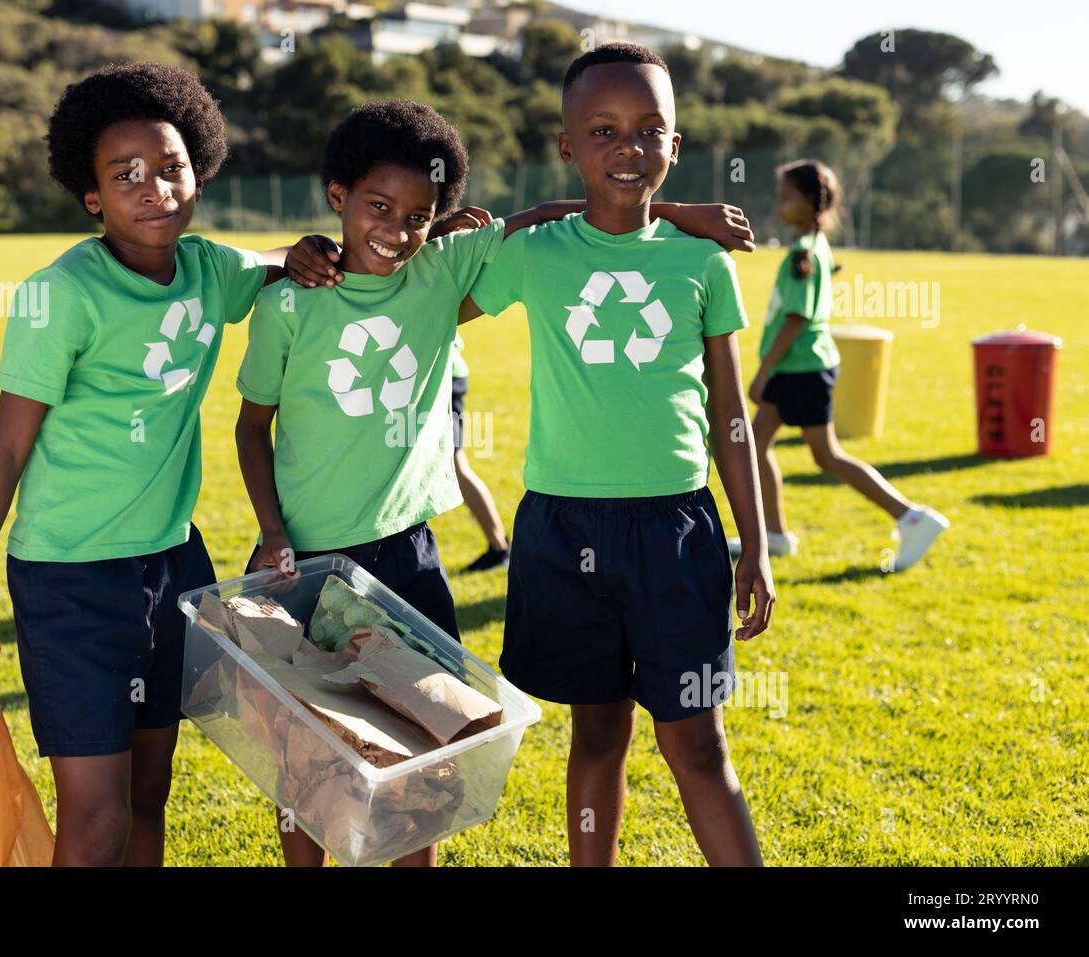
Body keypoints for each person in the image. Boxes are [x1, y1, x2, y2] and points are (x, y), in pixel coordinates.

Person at [235, 97, 755, 866]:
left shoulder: (441, 272)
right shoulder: (289, 302)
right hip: (305, 561)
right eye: (379, 205)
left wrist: (667, 207)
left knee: (422, 754)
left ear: (440, 218)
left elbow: (554, 215)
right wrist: (274, 532)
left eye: (419, 213)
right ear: (339, 196)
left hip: (409, 556)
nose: (398, 226)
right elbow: (251, 424)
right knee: (310, 761)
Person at [0, 63, 338, 866]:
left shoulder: (211, 270)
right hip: (72, 578)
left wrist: (313, 250)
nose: (155, 189)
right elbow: (4, 449)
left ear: (200, 170)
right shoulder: (61, 295)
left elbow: (282, 258)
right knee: (99, 819)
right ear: (92, 195)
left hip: (173, 566)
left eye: (172, 167)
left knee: (151, 794)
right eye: (126, 174)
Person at [466, 43, 773, 866]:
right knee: (596, 731)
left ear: (676, 145)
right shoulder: (536, 254)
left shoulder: (703, 262)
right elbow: (438, 295)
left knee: (698, 744)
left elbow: (731, 416)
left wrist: (756, 541)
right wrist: (649, 210)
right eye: (601, 131)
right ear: (567, 147)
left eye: (649, 131)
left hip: (679, 531)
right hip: (563, 530)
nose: (627, 148)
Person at [728, 159, 948, 571]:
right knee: (757, 446)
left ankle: (911, 517)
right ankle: (773, 535)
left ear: (811, 201)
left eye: (786, 198)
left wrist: (762, 373)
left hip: (800, 371)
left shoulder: (803, 255)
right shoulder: (813, 247)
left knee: (826, 456)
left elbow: (796, 319)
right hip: (800, 369)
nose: (779, 206)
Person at [450, 332, 512, 571]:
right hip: (435, 372)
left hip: (441, 376)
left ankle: (499, 548)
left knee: (455, 466)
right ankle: (499, 547)